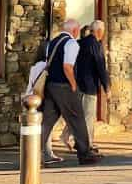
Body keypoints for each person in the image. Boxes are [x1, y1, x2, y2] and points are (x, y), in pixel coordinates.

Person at [38, 19, 99, 165]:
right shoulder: (71, 43)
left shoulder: (53, 42)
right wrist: (73, 84)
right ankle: (85, 154)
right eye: (77, 30)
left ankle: (34, 151)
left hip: (50, 85)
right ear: (75, 30)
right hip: (64, 86)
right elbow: (67, 66)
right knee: (77, 119)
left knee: (47, 121)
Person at [74, 18, 111, 152]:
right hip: (89, 86)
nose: (104, 33)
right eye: (103, 31)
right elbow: (101, 67)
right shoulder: (95, 44)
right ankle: (88, 144)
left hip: (77, 84)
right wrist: (107, 87)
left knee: (79, 115)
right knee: (88, 116)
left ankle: (75, 140)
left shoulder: (80, 42)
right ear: (99, 31)